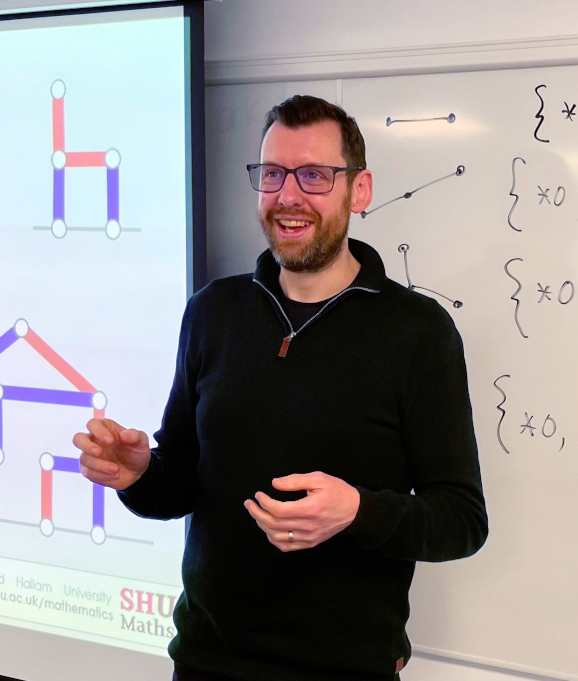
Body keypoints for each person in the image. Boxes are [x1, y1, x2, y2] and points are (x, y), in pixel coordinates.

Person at [73, 95, 488, 681]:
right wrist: (139, 473)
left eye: (315, 175)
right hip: (205, 663)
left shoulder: (417, 332)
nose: (289, 196)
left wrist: (358, 512)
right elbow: (181, 487)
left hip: (344, 670)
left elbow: (462, 520)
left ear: (359, 190)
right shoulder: (214, 311)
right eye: (273, 174)